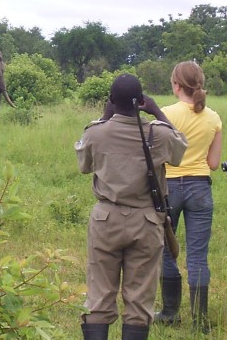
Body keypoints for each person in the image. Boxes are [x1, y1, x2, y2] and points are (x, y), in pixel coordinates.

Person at [75, 73, 188, 340]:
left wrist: (104, 118)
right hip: (146, 220)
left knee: (99, 294)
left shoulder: (96, 132)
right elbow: (181, 148)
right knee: (139, 300)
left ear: (112, 100)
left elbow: (84, 166)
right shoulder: (157, 133)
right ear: (141, 101)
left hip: (106, 218)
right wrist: (157, 111)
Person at [156, 61, 222, 331]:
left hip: (168, 188)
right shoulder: (213, 117)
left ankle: (170, 313)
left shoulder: (164, 114)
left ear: (176, 85)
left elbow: (155, 157)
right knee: (197, 256)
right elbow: (214, 162)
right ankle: (201, 321)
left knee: (165, 251)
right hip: (200, 187)